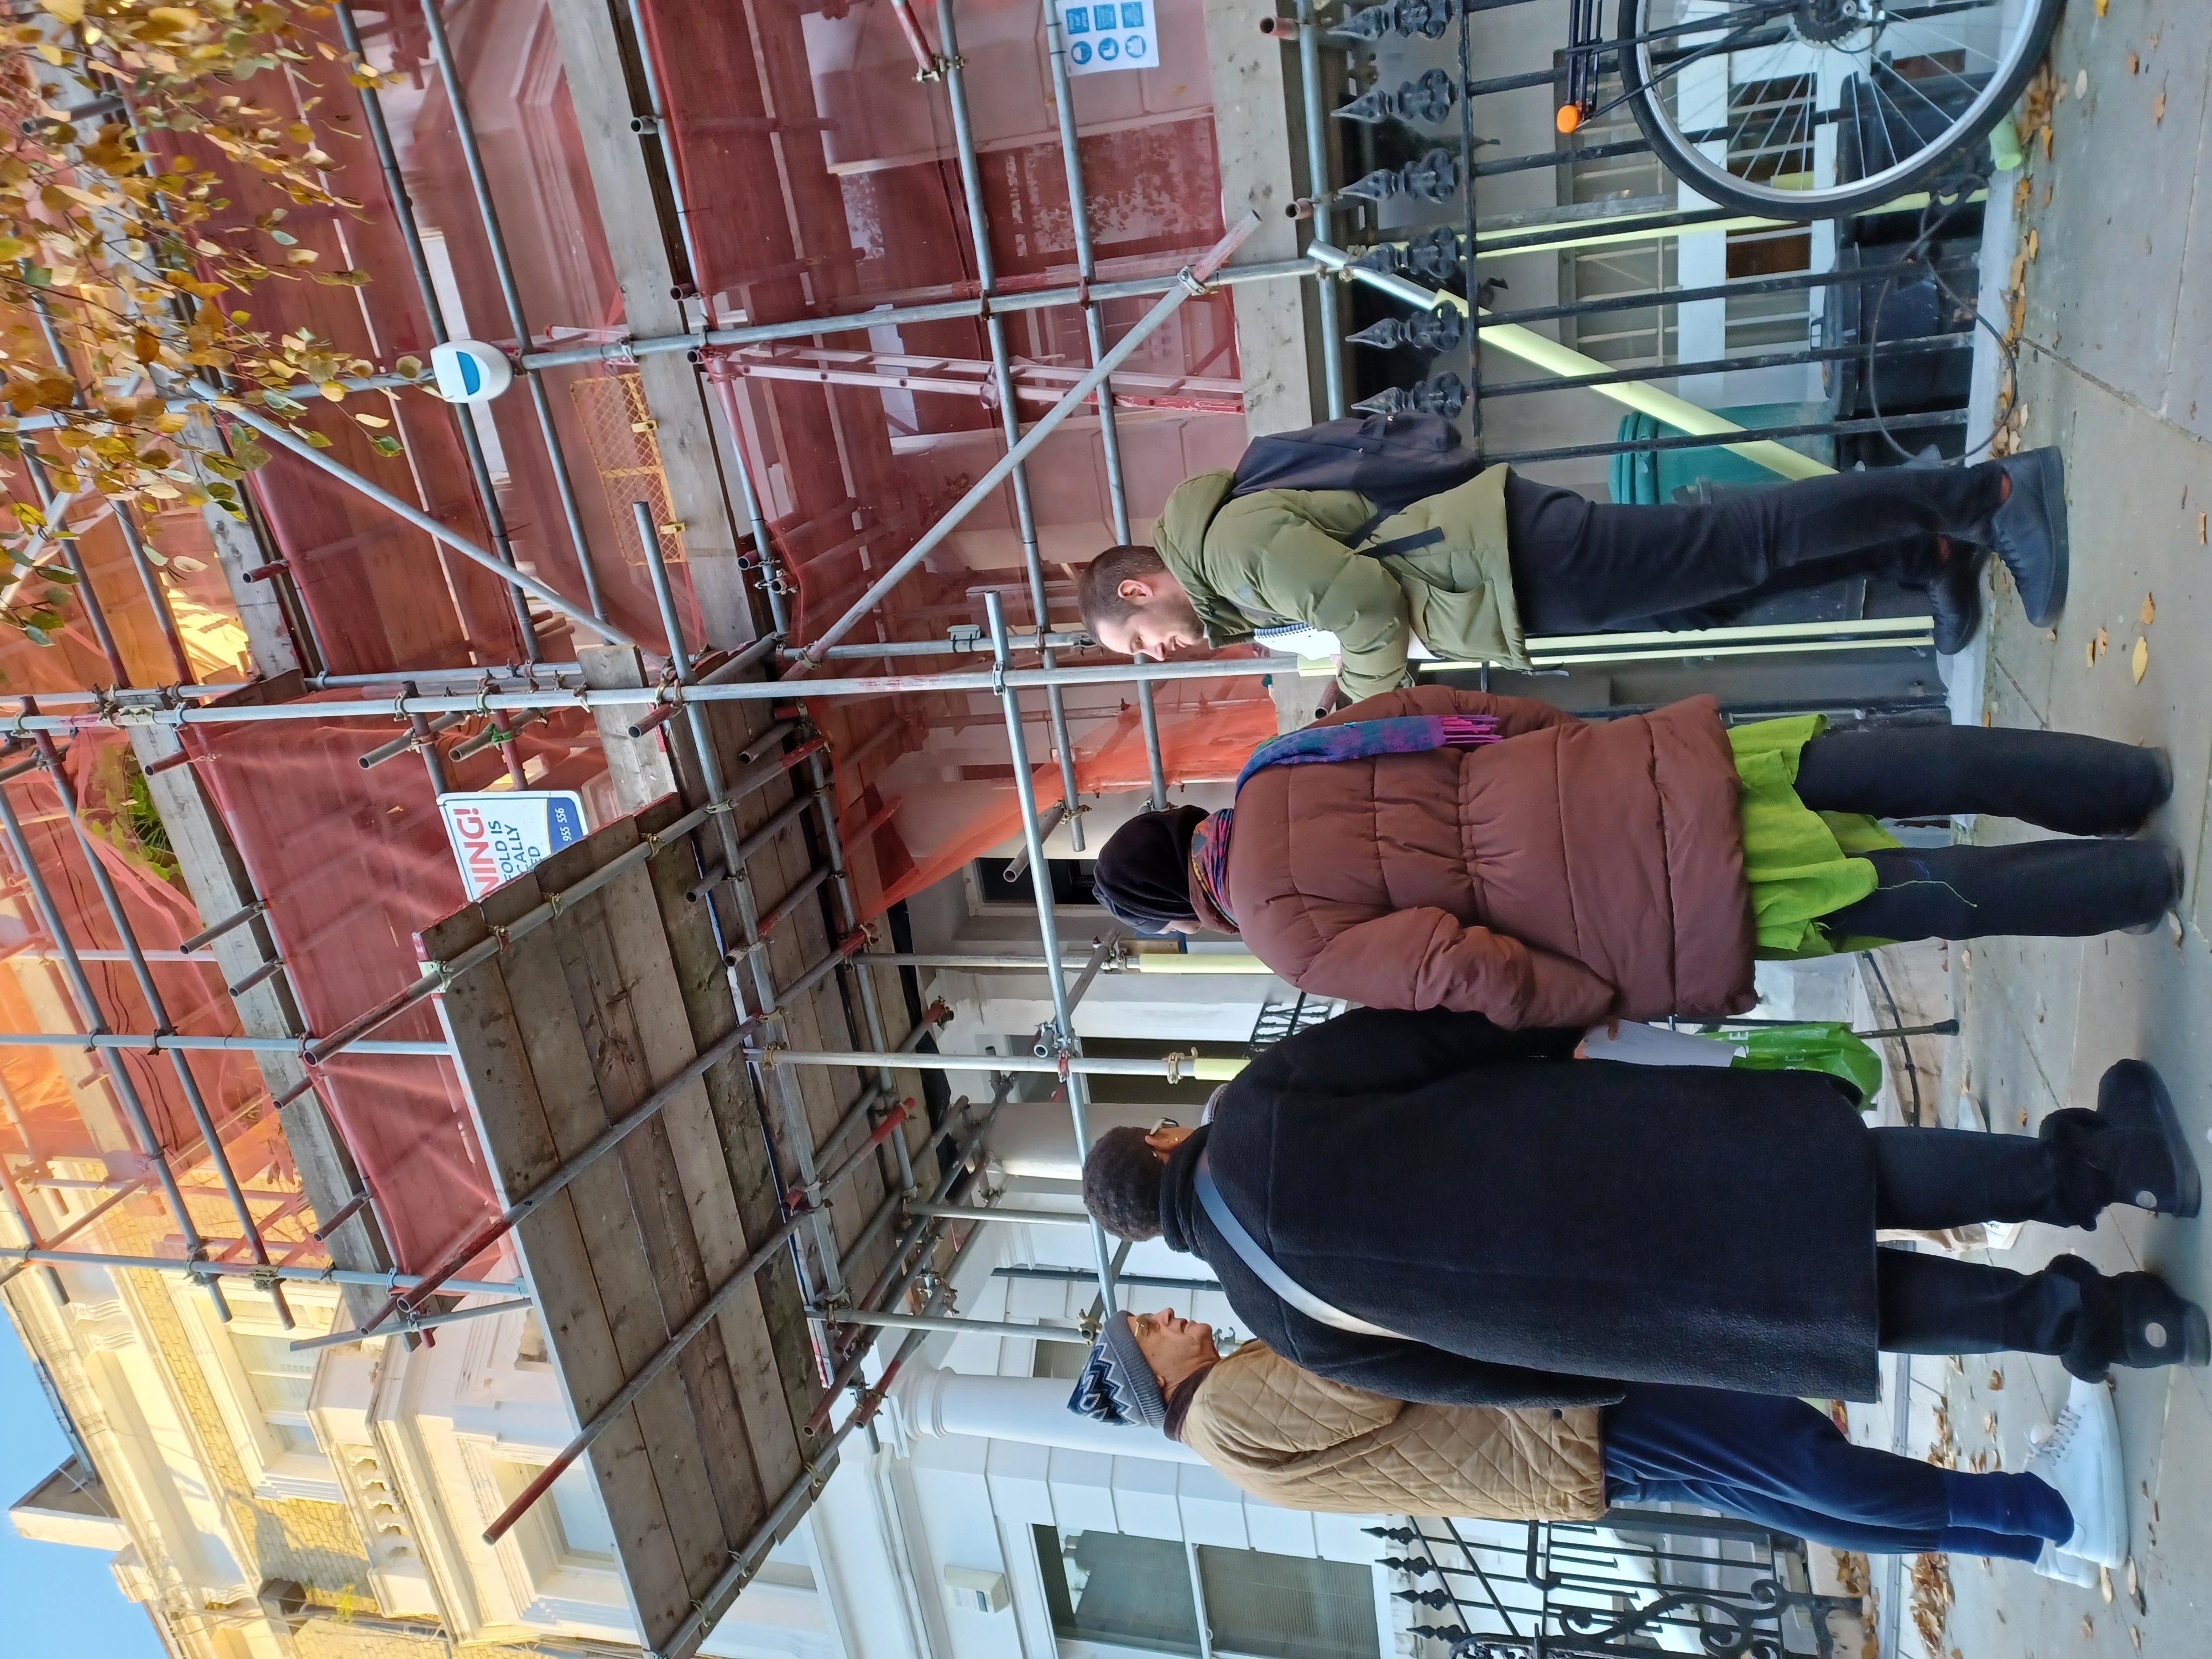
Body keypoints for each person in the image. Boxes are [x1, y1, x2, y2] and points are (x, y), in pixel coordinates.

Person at [1077, 1008, 2206, 1410]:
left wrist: (1602, 1369)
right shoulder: (1259, 1107)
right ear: (1165, 1139)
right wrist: (1552, 1022)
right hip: (1611, 1157)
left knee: (1841, 1307)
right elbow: (1427, 1038)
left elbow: (1461, 1384)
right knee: (1850, 1176)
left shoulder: (1277, 1326)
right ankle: (2111, 1169)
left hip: (1614, 1308)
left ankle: (2108, 1328)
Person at [1088, 692, 2177, 1026]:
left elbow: (1460, 965)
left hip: (1641, 910)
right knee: (1891, 766)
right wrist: (1575, 745)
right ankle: (2119, 779)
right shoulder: (1281, 758)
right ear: (1183, 819)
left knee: (1921, 897)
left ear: (1181, 917)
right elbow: (1460, 712)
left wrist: (1594, 999)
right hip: (1625, 777)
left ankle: (2133, 885)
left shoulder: (1286, 939)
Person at [1067, 1305, 2126, 1584]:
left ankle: (2032, 1534)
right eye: (1151, 1331)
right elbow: (1363, 1375)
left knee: (1794, 1490)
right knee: (1796, 1462)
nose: (1169, 1318)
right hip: (1556, 1427)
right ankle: (2047, 1510)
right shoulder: (1222, 1410)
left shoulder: (1225, 1418)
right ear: (1150, 1373)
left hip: (1550, 1440)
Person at [1074, 447, 2068, 697]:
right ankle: (1919, 553)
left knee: (1740, 544)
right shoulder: (1229, 578)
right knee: (1716, 594)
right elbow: (1354, 609)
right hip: (1501, 580)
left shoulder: (1230, 552)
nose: (1154, 654)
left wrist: (1367, 703)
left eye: (1137, 639)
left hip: (1511, 559)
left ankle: (1986, 500)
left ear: (1135, 589)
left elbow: (1370, 610)